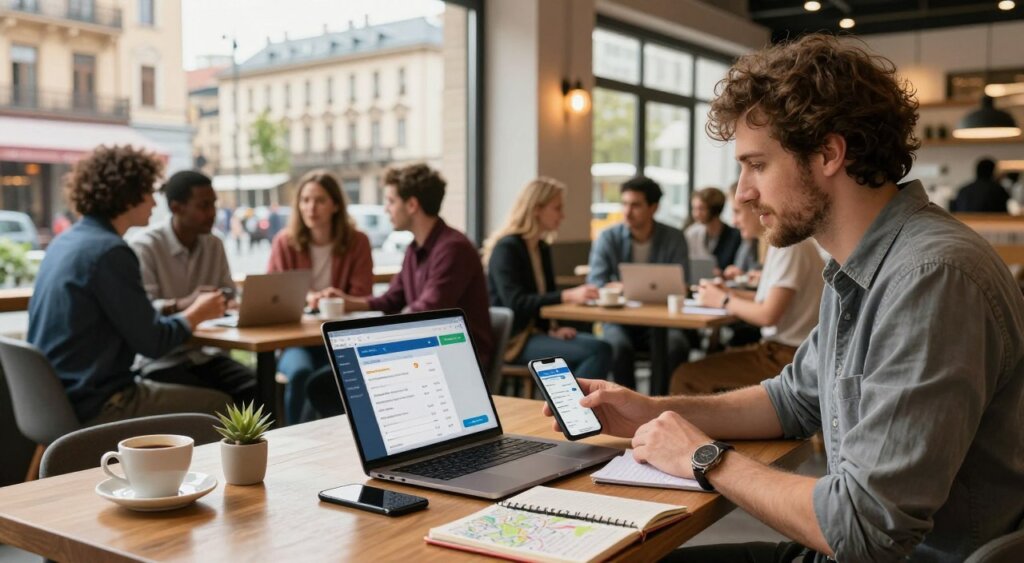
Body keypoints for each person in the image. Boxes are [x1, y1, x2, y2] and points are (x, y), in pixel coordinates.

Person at [546, 34, 1024, 562]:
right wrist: (650, 412)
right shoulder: (860, 266)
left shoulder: (932, 278)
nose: (742, 194)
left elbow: (863, 528)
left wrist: (704, 457)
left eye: (757, 165)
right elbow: (792, 400)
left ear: (828, 153)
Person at [28, 145, 230, 425]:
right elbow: (153, 342)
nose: (154, 202)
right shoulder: (110, 252)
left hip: (52, 403)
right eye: (148, 192)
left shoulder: (66, 242)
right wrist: (196, 313)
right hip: (103, 402)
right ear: (127, 196)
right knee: (222, 407)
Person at [340, 163, 494, 372]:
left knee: (337, 378)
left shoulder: (453, 248)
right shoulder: (415, 249)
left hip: (458, 358)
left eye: (391, 201)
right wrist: (347, 303)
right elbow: (392, 298)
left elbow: (427, 310)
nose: (386, 209)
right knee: (335, 375)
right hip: (426, 352)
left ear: (412, 205)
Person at [670, 190, 824, 395]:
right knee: (708, 361)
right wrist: (727, 293)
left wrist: (723, 300)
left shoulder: (788, 247)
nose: (733, 222)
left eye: (737, 213)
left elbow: (768, 314)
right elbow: (770, 299)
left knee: (687, 377)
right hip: (789, 352)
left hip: (787, 356)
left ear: (758, 211)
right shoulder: (787, 245)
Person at [129, 170, 258, 407]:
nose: (213, 213)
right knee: (223, 398)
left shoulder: (214, 243)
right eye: (204, 206)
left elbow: (227, 290)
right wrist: (188, 303)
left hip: (207, 354)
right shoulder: (145, 247)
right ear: (177, 208)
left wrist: (226, 300)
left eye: (214, 205)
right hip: (160, 360)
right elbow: (143, 310)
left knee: (259, 388)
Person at [267, 169, 373, 424]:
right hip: (296, 339)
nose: (311, 207)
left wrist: (335, 298)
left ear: (335, 205)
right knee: (301, 372)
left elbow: (362, 294)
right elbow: (273, 295)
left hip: (338, 339)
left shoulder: (357, 242)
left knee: (334, 376)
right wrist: (309, 298)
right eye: (305, 200)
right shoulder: (285, 242)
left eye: (320, 200)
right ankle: (293, 440)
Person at [483, 177, 612, 381]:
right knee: (597, 351)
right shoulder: (507, 249)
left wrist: (553, 329)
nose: (562, 215)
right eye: (557, 208)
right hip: (513, 341)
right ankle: (568, 410)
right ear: (536, 209)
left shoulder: (541, 247)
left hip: (536, 334)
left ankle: (566, 406)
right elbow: (516, 303)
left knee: (601, 346)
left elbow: (542, 297)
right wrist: (568, 295)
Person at [587, 176, 690, 390]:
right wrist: (626, 289)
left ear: (653, 208)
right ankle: (626, 410)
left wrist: (619, 287)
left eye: (635, 205)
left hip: (663, 321)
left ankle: (661, 406)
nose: (627, 211)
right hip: (617, 320)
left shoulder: (674, 237)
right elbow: (596, 283)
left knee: (675, 346)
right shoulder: (608, 238)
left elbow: (682, 284)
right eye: (624, 204)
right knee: (617, 347)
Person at [685, 186, 742, 271]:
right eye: (694, 209)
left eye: (701, 209)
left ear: (714, 210)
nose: (696, 214)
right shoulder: (691, 233)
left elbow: (737, 267)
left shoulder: (736, 236)